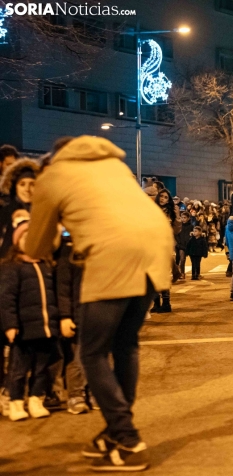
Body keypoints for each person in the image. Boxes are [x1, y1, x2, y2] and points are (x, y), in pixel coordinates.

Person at [24, 136, 174, 471]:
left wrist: (55, 231)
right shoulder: (114, 165)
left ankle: (129, 438)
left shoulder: (52, 176)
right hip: (155, 248)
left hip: (114, 255)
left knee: (90, 352)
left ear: (54, 157)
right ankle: (114, 433)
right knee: (126, 345)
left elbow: (35, 245)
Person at [0, 222, 60, 421]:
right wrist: (10, 325)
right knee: (18, 369)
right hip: (23, 330)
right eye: (25, 238)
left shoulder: (45, 265)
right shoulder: (13, 267)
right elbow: (6, 298)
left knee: (42, 368)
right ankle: (16, 401)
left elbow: (53, 298)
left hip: (45, 328)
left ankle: (35, 399)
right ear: (17, 242)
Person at [55, 229, 93, 415]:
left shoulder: (100, 250)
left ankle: (93, 391)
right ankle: (75, 394)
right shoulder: (69, 253)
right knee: (76, 358)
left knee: (100, 357)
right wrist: (65, 316)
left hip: (98, 314)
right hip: (77, 313)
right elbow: (63, 288)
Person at [176, 211, 192, 280]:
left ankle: (183, 273)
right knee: (179, 259)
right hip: (179, 245)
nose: (183, 219)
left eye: (185, 217)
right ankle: (180, 273)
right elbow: (176, 235)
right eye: (182, 217)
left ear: (188, 218)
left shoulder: (191, 226)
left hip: (187, 245)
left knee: (183, 259)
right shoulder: (179, 226)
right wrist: (178, 243)